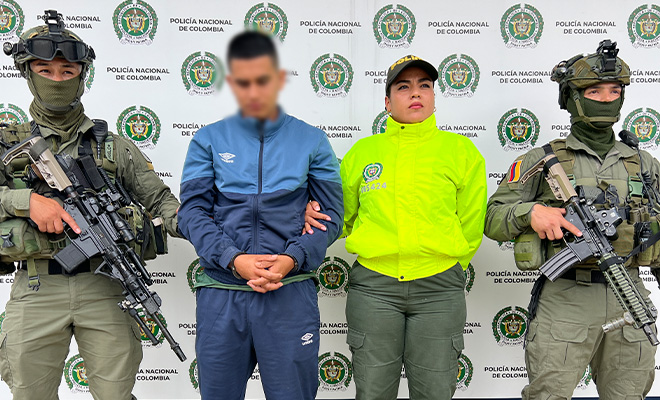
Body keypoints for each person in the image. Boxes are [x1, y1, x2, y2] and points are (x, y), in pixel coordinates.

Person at [0, 10, 181, 400]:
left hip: (106, 286)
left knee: (115, 394)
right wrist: (26, 201)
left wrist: (217, 230)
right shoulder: (8, 143)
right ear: (28, 73)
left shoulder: (113, 146)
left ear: (82, 76)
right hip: (37, 287)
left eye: (67, 71)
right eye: (45, 70)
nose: (57, 79)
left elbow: (163, 203)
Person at [485, 40, 658, 399]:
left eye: (614, 91)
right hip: (566, 299)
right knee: (549, 394)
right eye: (594, 91)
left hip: (629, 292)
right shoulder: (542, 159)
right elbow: (493, 217)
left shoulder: (644, 164)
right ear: (572, 98)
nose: (606, 99)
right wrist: (531, 212)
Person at [307, 54, 486, 399]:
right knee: (373, 391)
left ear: (433, 97)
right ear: (388, 103)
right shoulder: (363, 153)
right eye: (403, 87)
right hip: (375, 288)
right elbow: (340, 217)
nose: (415, 93)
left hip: (439, 289)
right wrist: (308, 212)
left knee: (435, 392)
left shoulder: (461, 151)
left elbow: (471, 221)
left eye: (424, 86)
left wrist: (447, 265)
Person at [177, 31, 343, 400]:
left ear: (279, 79)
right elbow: (191, 212)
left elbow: (331, 214)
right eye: (243, 82)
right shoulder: (208, 140)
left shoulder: (313, 141)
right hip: (222, 293)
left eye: (263, 80)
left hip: (289, 293)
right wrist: (233, 259)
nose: (253, 91)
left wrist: (291, 258)